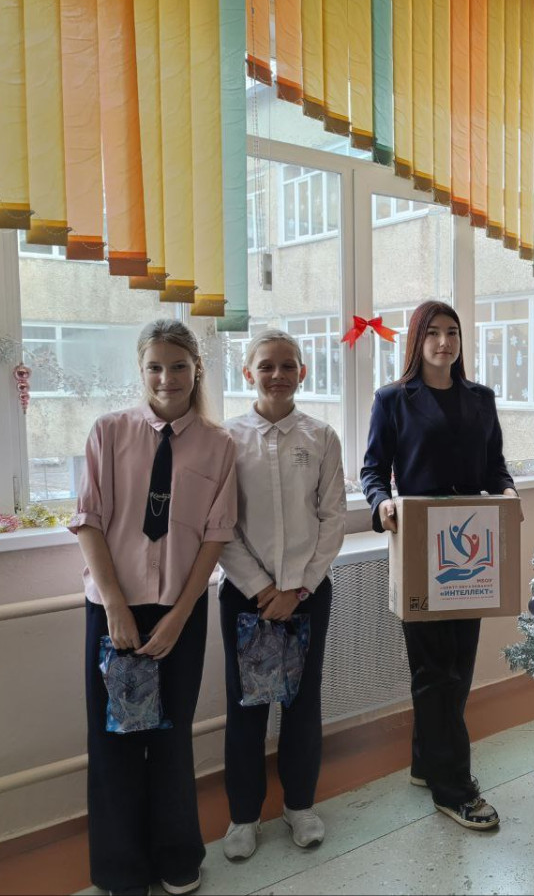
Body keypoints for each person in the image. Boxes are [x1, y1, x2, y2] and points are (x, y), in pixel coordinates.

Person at [71, 320, 237, 896]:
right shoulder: (110, 431)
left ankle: (177, 854)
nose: (167, 378)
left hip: (178, 611)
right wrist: (115, 606)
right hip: (114, 610)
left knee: (171, 735)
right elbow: (89, 521)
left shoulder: (218, 444)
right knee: (114, 740)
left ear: (197, 369)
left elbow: (216, 535)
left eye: (179, 366)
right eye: (155, 367)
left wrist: (181, 614)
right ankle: (120, 868)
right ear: (142, 370)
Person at [360, 300, 519, 831]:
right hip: (420, 546)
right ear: (417, 340)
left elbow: (495, 466)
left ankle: (427, 764)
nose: (444, 342)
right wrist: (381, 503)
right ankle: (455, 789)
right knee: (434, 673)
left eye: (452, 332)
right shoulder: (392, 400)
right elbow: (373, 471)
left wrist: (508, 491)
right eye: (433, 333)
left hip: (474, 548)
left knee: (460, 669)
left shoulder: (481, 399)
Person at [217, 329, 346, 860]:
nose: (277, 375)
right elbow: (220, 526)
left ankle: (300, 806)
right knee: (246, 707)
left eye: (288, 365)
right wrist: (262, 588)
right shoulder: (226, 439)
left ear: (302, 373)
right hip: (245, 596)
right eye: (266, 366)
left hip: (307, 594)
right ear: (248, 372)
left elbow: (333, 518)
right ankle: (243, 817)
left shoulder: (321, 437)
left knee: (301, 702)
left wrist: (299, 587)